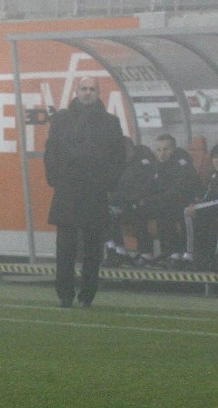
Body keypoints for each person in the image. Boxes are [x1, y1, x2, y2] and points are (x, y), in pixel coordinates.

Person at [44, 76, 126, 308]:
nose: (87, 93)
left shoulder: (110, 122)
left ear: (98, 93)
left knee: (93, 248)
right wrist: (56, 179)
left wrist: (107, 183)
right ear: (76, 91)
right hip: (68, 190)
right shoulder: (61, 119)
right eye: (84, 88)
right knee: (65, 247)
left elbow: (118, 157)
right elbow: (51, 151)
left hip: (94, 190)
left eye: (92, 89)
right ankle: (65, 294)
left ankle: (87, 295)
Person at [151, 134, 203, 268]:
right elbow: (153, 187)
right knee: (159, 208)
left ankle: (187, 255)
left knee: (177, 210)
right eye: (159, 150)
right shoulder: (158, 166)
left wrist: (158, 199)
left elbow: (183, 188)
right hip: (169, 203)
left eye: (166, 149)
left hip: (189, 201)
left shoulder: (182, 162)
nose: (162, 153)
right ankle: (171, 253)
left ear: (174, 149)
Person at [103, 139, 157, 267]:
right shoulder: (124, 165)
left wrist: (127, 201)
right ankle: (117, 250)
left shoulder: (144, 163)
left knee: (136, 211)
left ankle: (146, 255)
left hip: (146, 203)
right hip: (126, 203)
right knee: (102, 210)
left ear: (129, 149)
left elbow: (147, 188)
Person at [181, 143, 217, 271]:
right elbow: (207, 197)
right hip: (212, 210)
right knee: (191, 213)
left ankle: (193, 254)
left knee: (190, 212)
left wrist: (197, 207)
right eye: (215, 157)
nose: (217, 161)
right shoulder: (214, 177)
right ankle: (198, 256)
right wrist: (197, 203)